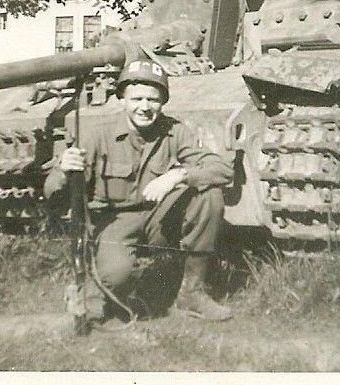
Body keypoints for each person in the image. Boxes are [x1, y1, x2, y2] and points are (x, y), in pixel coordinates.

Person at [43, 59, 234, 322]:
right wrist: (64, 170)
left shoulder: (174, 131)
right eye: (137, 99)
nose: (145, 107)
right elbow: (53, 192)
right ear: (122, 99)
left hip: (158, 218)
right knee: (116, 277)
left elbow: (222, 169)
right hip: (114, 221)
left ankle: (192, 293)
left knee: (208, 195)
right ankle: (87, 289)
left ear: (163, 102)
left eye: (153, 100)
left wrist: (179, 174)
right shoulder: (97, 134)